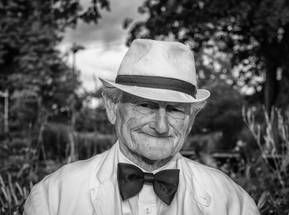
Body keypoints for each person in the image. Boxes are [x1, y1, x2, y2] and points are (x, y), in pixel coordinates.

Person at [23, 39, 260, 215]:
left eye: (175, 109)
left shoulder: (232, 202)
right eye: (146, 105)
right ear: (113, 107)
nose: (161, 126)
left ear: (191, 120)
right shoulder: (53, 197)